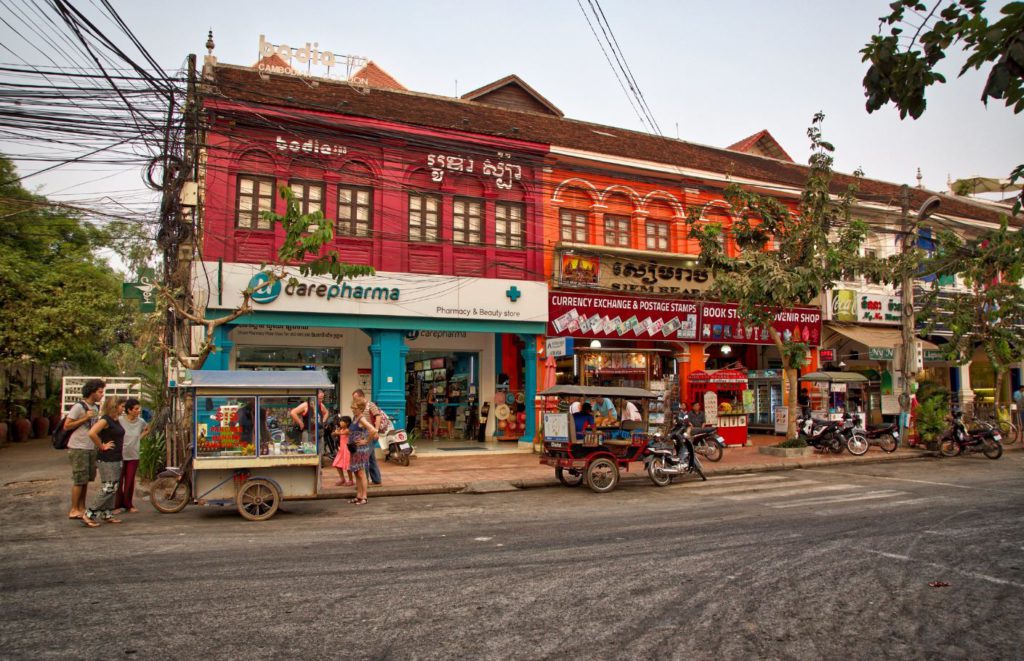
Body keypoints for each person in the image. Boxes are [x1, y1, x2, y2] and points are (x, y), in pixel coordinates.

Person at [64, 378, 106, 524]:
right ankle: (74, 508)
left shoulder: (95, 407)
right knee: (79, 479)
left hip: (90, 447)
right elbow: (67, 425)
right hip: (78, 446)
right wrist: (84, 418)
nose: (102, 394)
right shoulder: (79, 407)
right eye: (100, 392)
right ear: (92, 391)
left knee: (86, 479)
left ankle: (81, 507)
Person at [84, 397, 126, 526]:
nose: (123, 409)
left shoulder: (116, 420)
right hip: (107, 458)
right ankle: (89, 513)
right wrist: (102, 445)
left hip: (116, 457)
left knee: (113, 487)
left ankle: (107, 513)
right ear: (115, 406)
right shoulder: (105, 420)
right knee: (108, 486)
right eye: (122, 406)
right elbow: (92, 433)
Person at [115, 397, 148, 514]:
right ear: (129, 410)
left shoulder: (141, 421)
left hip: (133, 455)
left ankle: (128, 504)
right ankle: (116, 505)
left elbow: (147, 429)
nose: (138, 411)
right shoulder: (119, 420)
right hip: (120, 455)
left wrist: (139, 438)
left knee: (129, 481)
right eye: (136, 409)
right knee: (118, 482)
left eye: (139, 408)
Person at [351, 389, 386, 486]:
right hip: (363, 433)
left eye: (356, 398)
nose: (355, 400)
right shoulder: (358, 408)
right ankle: (377, 479)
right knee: (371, 458)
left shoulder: (371, 405)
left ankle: (364, 481)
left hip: (370, 434)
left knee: (365, 457)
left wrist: (376, 430)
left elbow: (378, 417)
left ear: (361, 396)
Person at [348, 403, 376, 505]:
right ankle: (359, 495)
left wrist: (366, 441)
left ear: (360, 409)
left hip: (360, 449)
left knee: (361, 473)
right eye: (352, 408)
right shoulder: (355, 418)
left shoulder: (361, 419)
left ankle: (364, 496)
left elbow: (372, 430)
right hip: (354, 449)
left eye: (354, 408)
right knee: (356, 472)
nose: (353, 410)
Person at [331, 415, 354, 487]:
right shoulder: (341, 429)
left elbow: (342, 433)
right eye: (340, 421)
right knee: (337, 464)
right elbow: (333, 435)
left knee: (348, 466)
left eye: (342, 421)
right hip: (341, 450)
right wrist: (335, 432)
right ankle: (342, 479)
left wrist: (336, 432)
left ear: (347, 423)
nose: (340, 423)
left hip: (347, 450)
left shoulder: (348, 430)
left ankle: (351, 480)